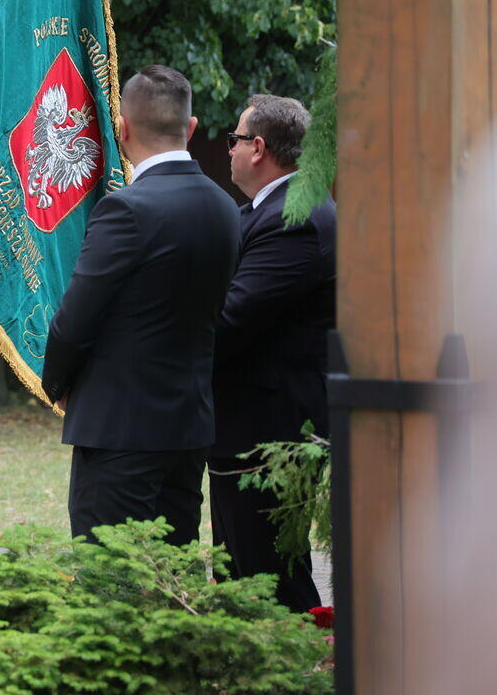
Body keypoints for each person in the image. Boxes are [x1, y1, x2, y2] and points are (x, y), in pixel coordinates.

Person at [41, 65, 240, 545]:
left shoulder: (126, 209)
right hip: (188, 426)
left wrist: (58, 384)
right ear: (191, 127)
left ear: (122, 127)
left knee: (110, 575)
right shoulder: (225, 206)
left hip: (119, 429)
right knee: (172, 573)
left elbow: (75, 320)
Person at [210, 94, 335, 612]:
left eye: (235, 140)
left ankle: (299, 656)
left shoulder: (294, 218)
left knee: (269, 584)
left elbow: (230, 320)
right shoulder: (273, 210)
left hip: (266, 432)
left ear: (258, 147)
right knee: (241, 576)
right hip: (252, 424)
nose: (230, 150)